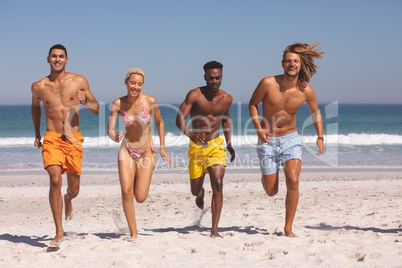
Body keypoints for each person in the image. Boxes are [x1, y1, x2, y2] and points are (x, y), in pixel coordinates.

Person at [248, 42, 325, 237]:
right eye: (289, 61)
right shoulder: (267, 83)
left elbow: (316, 113)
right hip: (268, 140)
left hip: (291, 139)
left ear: (301, 64)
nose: (292, 64)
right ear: (283, 64)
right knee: (271, 191)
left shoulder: (306, 90)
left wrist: (320, 137)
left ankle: (288, 228)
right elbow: (252, 104)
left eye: (296, 61)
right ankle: (267, 178)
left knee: (293, 180)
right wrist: (258, 129)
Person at [31, 44, 99, 246]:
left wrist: (86, 100)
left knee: (74, 189)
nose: (57, 59)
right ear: (48, 59)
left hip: (73, 139)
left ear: (67, 60)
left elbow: (96, 109)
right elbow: (35, 108)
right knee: (54, 181)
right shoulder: (38, 86)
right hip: (52, 138)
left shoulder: (79, 81)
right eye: (54, 56)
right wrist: (36, 133)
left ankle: (68, 199)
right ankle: (59, 231)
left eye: (61, 56)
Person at [108, 68, 171, 240]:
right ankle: (133, 234)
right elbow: (110, 129)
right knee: (126, 192)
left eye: (140, 84)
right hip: (127, 149)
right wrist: (115, 136)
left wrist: (163, 147)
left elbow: (160, 122)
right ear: (126, 82)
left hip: (147, 152)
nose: (136, 87)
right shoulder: (118, 103)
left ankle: (136, 176)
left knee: (141, 197)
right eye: (133, 83)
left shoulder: (149, 101)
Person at [176, 61, 235, 238]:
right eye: (211, 78)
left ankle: (214, 230)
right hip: (197, 147)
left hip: (216, 145)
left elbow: (226, 120)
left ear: (221, 77)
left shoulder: (227, 99)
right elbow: (179, 119)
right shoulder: (195, 95)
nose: (214, 81)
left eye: (217, 78)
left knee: (218, 183)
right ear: (205, 77)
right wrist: (190, 134)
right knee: (194, 189)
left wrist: (229, 143)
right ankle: (199, 193)